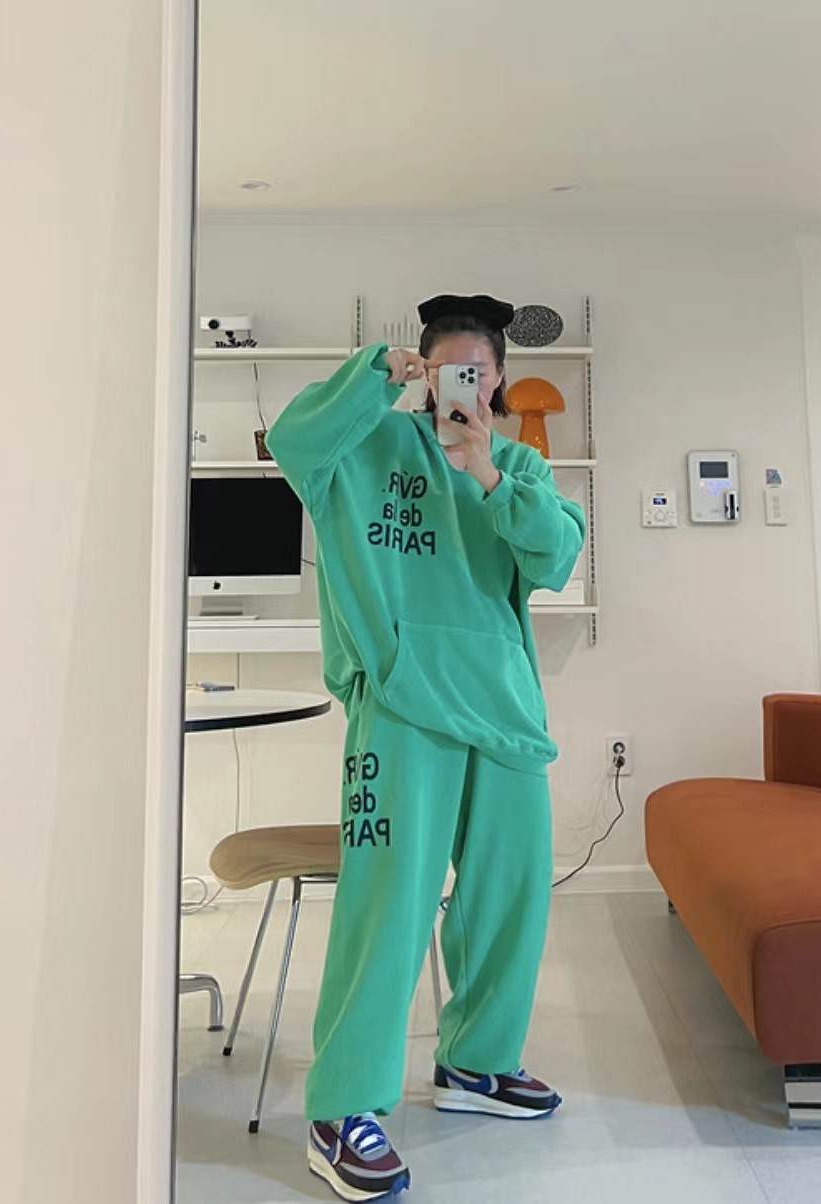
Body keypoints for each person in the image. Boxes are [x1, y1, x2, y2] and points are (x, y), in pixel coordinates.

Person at [267, 293, 586, 1201]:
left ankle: (477, 1063)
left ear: (499, 380)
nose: (463, 386)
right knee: (389, 908)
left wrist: (485, 471)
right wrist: (374, 375)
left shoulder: (517, 463)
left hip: (506, 709)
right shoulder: (363, 446)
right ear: (421, 371)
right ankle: (342, 1108)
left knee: (510, 898)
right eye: (446, 369)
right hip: (404, 706)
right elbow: (292, 440)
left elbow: (558, 557)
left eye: (478, 372)